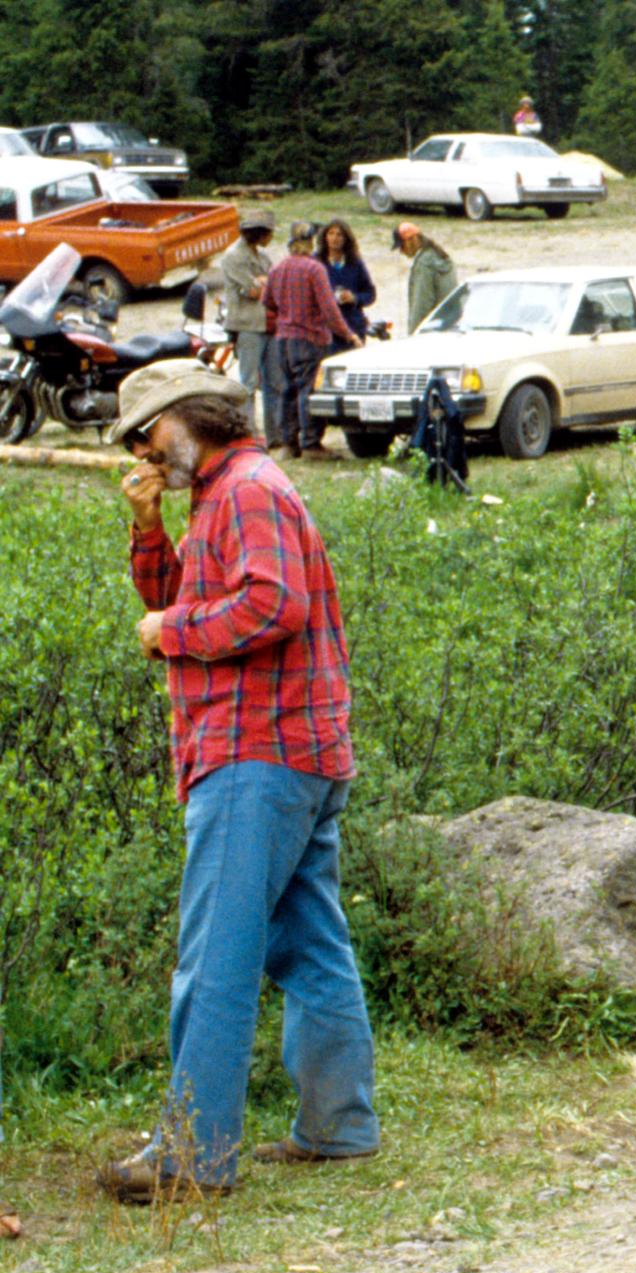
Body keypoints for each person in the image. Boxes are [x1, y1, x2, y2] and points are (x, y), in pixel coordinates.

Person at [98, 360, 379, 1203]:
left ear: (190, 418)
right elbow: (184, 594)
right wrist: (150, 530)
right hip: (290, 749)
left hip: (258, 752)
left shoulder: (249, 489)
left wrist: (170, 629)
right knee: (308, 941)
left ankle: (192, 1156)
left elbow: (271, 604)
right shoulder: (222, 494)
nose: (141, 449)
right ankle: (339, 1128)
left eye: (145, 430)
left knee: (214, 960)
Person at [265, 220, 361, 460]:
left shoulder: (277, 269)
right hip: (309, 338)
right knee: (309, 391)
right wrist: (348, 334)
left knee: (287, 391)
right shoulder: (314, 269)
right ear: (310, 242)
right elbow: (329, 309)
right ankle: (311, 443)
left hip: (283, 340)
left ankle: (288, 443)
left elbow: (267, 302)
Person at [216, 210, 278, 444]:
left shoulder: (262, 256)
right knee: (249, 382)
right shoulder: (233, 256)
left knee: (274, 382)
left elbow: (270, 286)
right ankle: (249, 433)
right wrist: (261, 286)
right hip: (247, 325)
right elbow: (255, 289)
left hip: (268, 323)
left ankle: (275, 434)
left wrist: (262, 286)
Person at [315, 219, 376, 342]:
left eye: (339, 234)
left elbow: (370, 293)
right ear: (325, 237)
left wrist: (354, 298)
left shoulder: (355, 263)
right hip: (326, 329)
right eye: (331, 233)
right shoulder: (316, 263)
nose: (334, 238)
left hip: (353, 325)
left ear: (346, 239)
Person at [394, 223, 457, 334]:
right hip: (449, 325)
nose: (401, 251)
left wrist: (413, 335)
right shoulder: (441, 256)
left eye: (401, 246)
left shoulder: (424, 264)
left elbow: (422, 304)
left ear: (411, 240)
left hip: (431, 331)